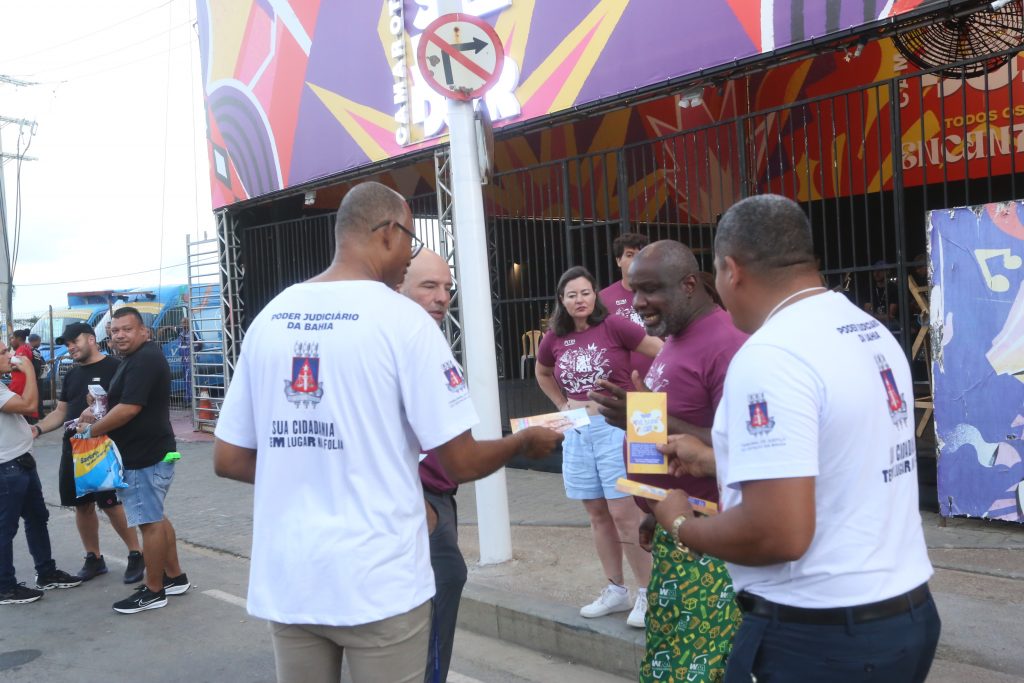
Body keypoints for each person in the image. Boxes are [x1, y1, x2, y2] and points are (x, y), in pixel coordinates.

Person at [212, 182, 563, 683]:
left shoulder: (271, 317)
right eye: (411, 242)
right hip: (378, 581)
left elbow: (228, 458)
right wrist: (522, 443)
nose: (408, 258)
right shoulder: (404, 323)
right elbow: (460, 461)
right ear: (387, 233)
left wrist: (313, 470)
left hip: (291, 580)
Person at [650, 194, 940, 682]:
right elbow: (844, 460)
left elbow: (777, 532)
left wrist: (680, 524)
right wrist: (719, 461)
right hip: (903, 616)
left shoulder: (769, 355)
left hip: (817, 637)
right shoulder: (867, 330)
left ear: (730, 270)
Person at [589, 241, 748, 682]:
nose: (637, 302)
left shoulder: (726, 344)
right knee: (670, 664)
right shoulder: (675, 341)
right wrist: (652, 508)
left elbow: (743, 446)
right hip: (674, 529)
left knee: (694, 672)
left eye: (650, 290)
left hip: (713, 540)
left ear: (690, 284)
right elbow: (669, 428)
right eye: (633, 289)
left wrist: (647, 419)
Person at [536, 265, 662, 628]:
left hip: (616, 428)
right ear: (562, 300)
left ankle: (646, 592)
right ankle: (615, 589)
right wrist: (561, 403)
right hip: (577, 432)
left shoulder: (615, 326)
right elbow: (543, 372)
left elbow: (659, 350)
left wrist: (648, 393)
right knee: (596, 513)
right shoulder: (554, 337)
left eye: (586, 292)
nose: (580, 300)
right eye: (572, 294)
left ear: (596, 296)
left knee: (626, 515)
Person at [76, 307, 189, 614]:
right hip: (149, 452)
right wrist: (99, 404)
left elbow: (130, 409)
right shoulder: (137, 359)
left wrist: (91, 431)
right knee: (156, 516)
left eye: (127, 329)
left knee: (149, 523)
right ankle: (175, 576)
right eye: (114, 331)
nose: (119, 335)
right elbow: (123, 403)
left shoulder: (145, 360)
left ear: (144, 332)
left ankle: (154, 590)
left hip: (145, 455)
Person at [31, 322, 144, 583]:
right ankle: (94, 558)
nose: (70, 346)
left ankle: (136, 554)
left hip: (102, 449)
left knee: (111, 504)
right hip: (73, 448)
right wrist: (37, 429)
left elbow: (127, 407)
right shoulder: (71, 375)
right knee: (81, 505)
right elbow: (60, 412)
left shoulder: (116, 367)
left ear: (92, 339)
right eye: (67, 343)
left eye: (75, 341)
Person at [399, 248, 465, 683]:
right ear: (398, 287)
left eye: (447, 288)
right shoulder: (399, 342)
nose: (442, 297)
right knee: (429, 618)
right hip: (421, 503)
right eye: (429, 286)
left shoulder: (428, 339)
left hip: (438, 499)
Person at [0, 341, 82, 605]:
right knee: (5, 528)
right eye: (3, 353)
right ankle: (5, 586)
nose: (11, 356)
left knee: (37, 517)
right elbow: (29, 405)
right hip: (7, 469)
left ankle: (46, 572)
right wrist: (29, 372)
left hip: (20, 462)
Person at [599, 232, 653, 379]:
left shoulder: (660, 293)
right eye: (629, 255)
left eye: (640, 255)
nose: (636, 259)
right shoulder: (603, 298)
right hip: (619, 384)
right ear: (618, 260)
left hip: (654, 382)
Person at [8, 330, 38, 423]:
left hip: (20, 386)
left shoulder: (22, 349)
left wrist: (7, 367)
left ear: (18, 339)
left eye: (12, 338)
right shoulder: (25, 348)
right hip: (21, 384)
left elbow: (22, 365)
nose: (11, 340)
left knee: (23, 413)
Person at [865, 260, 899, 331]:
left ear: (887, 272)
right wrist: (881, 317)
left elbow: (890, 316)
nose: (876, 274)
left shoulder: (893, 288)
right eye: (874, 271)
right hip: (875, 322)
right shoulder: (871, 288)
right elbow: (867, 312)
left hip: (890, 323)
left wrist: (873, 315)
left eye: (880, 271)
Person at [28, 334, 45, 417]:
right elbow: (38, 365)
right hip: (37, 377)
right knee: (38, 396)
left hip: (33, 377)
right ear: (35, 341)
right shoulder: (34, 351)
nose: (40, 343)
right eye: (39, 341)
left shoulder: (29, 350)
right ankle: (40, 414)